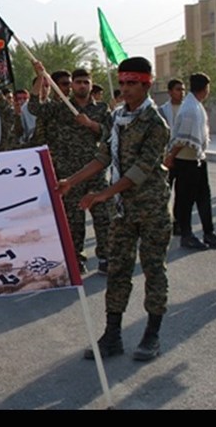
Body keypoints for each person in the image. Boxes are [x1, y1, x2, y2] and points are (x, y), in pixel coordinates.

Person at [58, 57, 171, 362]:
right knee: (118, 270)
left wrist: (103, 194)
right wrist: (71, 181)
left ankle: (152, 335)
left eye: (132, 83)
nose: (125, 88)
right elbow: (103, 157)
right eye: (122, 83)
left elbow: (140, 170)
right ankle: (112, 334)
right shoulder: (118, 118)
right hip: (123, 211)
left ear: (146, 84)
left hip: (151, 210)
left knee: (153, 270)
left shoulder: (155, 123)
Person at [29, 67, 112, 274]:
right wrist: (40, 76)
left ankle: (105, 257)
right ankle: (76, 258)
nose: (82, 86)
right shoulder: (61, 108)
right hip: (70, 174)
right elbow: (34, 107)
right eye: (78, 82)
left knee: (103, 216)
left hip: (95, 171)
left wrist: (90, 124)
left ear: (91, 84)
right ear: (73, 85)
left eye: (86, 82)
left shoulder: (102, 109)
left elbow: (110, 134)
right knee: (74, 220)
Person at [165, 73, 216, 250]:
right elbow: (182, 138)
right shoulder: (190, 109)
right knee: (186, 200)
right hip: (186, 160)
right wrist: (171, 157)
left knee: (204, 198)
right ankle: (186, 235)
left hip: (197, 158)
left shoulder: (195, 105)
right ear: (205, 88)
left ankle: (209, 233)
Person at [158, 79, 185, 236]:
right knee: (163, 192)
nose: (181, 93)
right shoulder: (162, 111)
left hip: (182, 157)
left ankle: (178, 222)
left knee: (181, 194)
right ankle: (163, 221)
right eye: (178, 89)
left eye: (183, 89)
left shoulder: (188, 109)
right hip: (166, 158)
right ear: (170, 92)